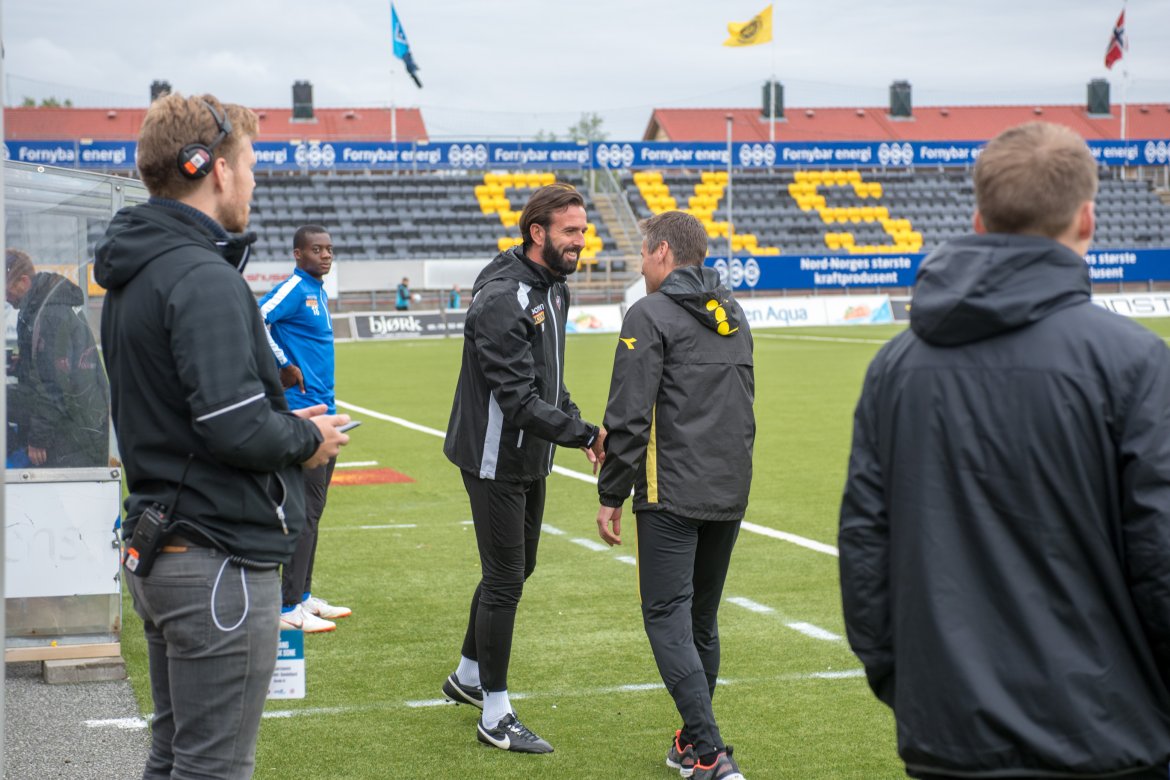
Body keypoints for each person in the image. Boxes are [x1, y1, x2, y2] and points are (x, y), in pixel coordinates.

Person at [839, 121, 1170, 780]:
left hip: (951, 738)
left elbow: (864, 554)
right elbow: (1160, 558)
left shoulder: (894, 368)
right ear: (1087, 219)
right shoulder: (1134, 362)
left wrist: (913, 691)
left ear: (979, 220)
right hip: (1108, 738)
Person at [94, 92, 350, 780]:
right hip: (215, 560)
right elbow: (233, 426)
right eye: (251, 165)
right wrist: (306, 439)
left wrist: (286, 426)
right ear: (214, 168)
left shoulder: (139, 270)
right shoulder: (201, 275)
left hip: (164, 544)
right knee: (213, 767)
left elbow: (196, 414)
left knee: (174, 756)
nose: (255, 181)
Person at [441, 183, 605, 753]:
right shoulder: (502, 297)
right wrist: (585, 434)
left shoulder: (555, 288)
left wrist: (577, 422)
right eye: (570, 231)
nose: (580, 241)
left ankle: (467, 675)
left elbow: (548, 380)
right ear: (538, 232)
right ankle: (495, 714)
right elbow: (516, 399)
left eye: (583, 231)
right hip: (493, 457)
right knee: (506, 578)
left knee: (517, 568)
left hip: (530, 454)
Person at [596, 211, 754, 780]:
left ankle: (709, 754)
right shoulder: (732, 313)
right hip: (729, 488)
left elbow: (629, 414)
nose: (640, 264)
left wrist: (611, 494)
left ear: (662, 251)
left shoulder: (649, 314)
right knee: (701, 621)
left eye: (643, 253)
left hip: (671, 493)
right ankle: (691, 743)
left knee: (667, 616)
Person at [259, 225, 352, 634]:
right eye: (317, 249)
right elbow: (256, 317)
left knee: (314, 510)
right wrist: (281, 363)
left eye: (329, 249)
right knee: (302, 512)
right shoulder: (294, 288)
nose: (326, 255)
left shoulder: (317, 291)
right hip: (303, 415)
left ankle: (303, 595)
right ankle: (287, 604)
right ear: (298, 254)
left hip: (325, 412)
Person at [5, 248, 109, 468]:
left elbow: (55, 385)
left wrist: (38, 439)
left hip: (73, 436)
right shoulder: (43, 307)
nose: (5, 297)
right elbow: (47, 367)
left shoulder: (50, 315)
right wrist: (21, 365)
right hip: (76, 425)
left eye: (6, 290)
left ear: (23, 281)